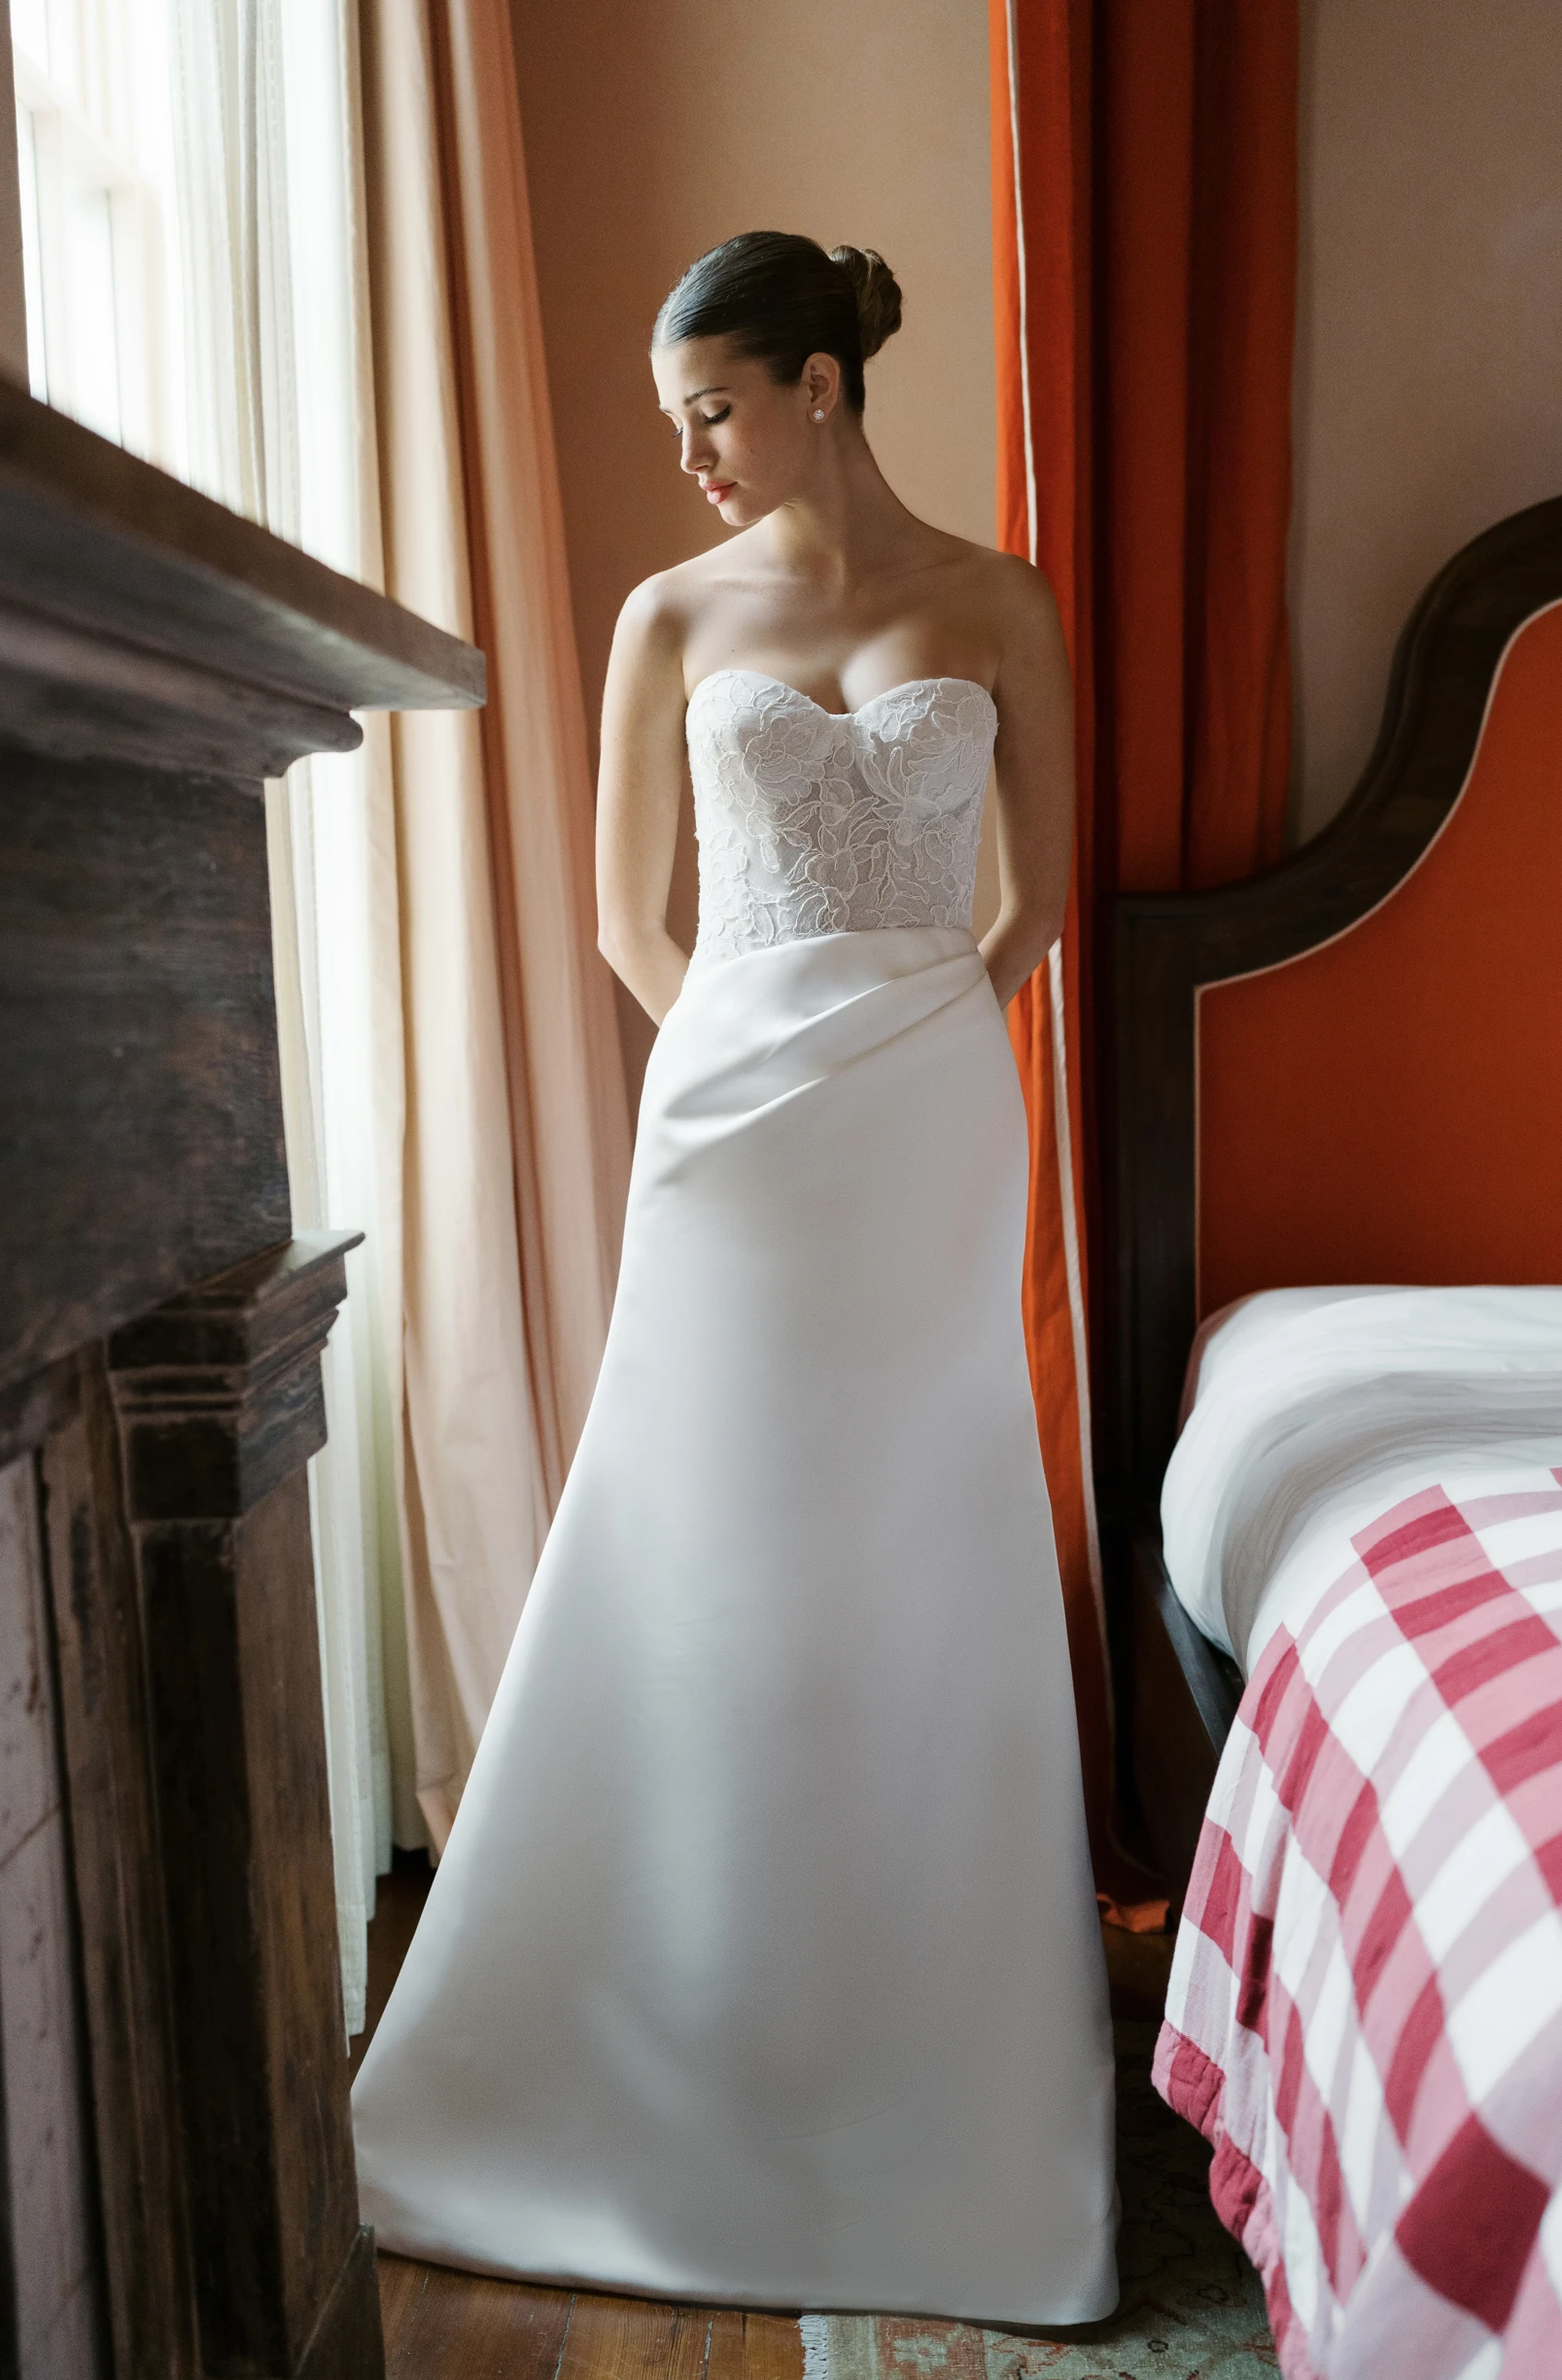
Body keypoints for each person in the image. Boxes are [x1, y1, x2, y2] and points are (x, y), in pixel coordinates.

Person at [352, 230, 1118, 2326]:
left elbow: (1037, 901)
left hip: (928, 1119)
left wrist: (903, 1047)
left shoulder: (999, 601)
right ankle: (680, 2031)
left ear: (819, 386)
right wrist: (761, 1059)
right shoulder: (671, 614)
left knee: (914, 1543)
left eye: (711, 410)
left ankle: (921, 2050)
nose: (688, 456)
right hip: (736, 1132)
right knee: (716, 1544)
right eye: (677, 421)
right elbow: (624, 917)